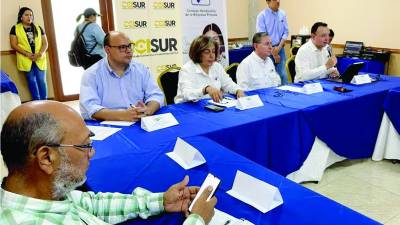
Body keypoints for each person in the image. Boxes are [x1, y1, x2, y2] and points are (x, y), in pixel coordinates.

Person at [0, 100, 216, 225]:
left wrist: (160, 201)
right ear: (47, 158)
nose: (91, 153)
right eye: (85, 145)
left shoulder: (44, 194)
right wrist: (197, 219)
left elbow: (90, 204)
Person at [79, 31, 164, 121]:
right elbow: (89, 108)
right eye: (122, 47)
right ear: (107, 50)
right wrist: (122, 115)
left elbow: (156, 95)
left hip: (140, 121)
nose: (129, 51)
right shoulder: (92, 74)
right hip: (110, 125)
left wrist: (148, 109)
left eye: (129, 46)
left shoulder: (141, 69)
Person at [175, 35, 245, 104]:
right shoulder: (187, 69)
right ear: (198, 53)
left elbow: (228, 84)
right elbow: (187, 94)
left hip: (211, 106)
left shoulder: (217, 66)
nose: (212, 56)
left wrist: (238, 90)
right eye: (207, 52)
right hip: (187, 109)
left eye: (213, 51)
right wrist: (205, 90)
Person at [9, 7, 48, 100]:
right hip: (26, 59)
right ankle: (36, 101)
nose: (29, 17)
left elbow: (45, 43)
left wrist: (40, 53)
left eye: (31, 15)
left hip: (39, 58)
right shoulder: (15, 28)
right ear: (21, 17)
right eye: (26, 15)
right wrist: (26, 54)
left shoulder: (38, 28)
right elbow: (13, 44)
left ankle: (45, 101)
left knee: (41, 81)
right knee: (31, 81)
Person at [256, 0, 289, 84]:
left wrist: (278, 48)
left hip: (280, 48)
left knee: (282, 75)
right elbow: (262, 36)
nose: (278, 1)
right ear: (268, 1)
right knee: (269, 76)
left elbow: (286, 32)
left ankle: (285, 95)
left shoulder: (282, 14)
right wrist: (274, 53)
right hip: (266, 50)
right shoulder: (262, 16)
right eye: (274, 0)